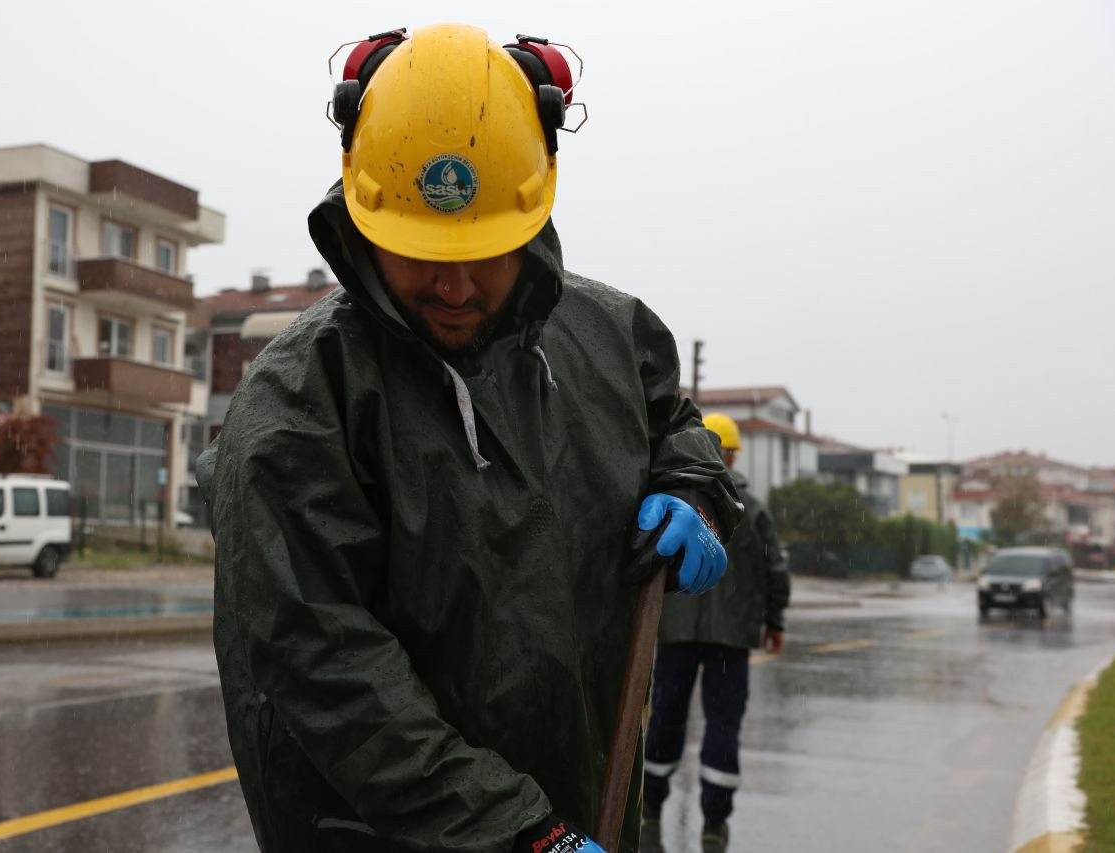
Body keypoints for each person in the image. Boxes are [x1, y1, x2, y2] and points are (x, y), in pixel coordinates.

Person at [197, 23, 741, 853]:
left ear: (536, 207)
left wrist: (694, 486)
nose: (453, 286)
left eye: (484, 250)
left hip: (585, 804)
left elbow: (673, 424)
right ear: (363, 211)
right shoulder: (302, 402)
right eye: (419, 251)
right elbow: (324, 665)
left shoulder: (608, 335)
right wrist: (517, 835)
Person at [641, 412, 791, 853]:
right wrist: (775, 621)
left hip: (677, 633)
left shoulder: (678, 500)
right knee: (723, 725)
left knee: (665, 720)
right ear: (732, 453)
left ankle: (650, 810)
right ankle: (714, 823)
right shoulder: (754, 509)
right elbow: (775, 572)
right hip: (732, 639)